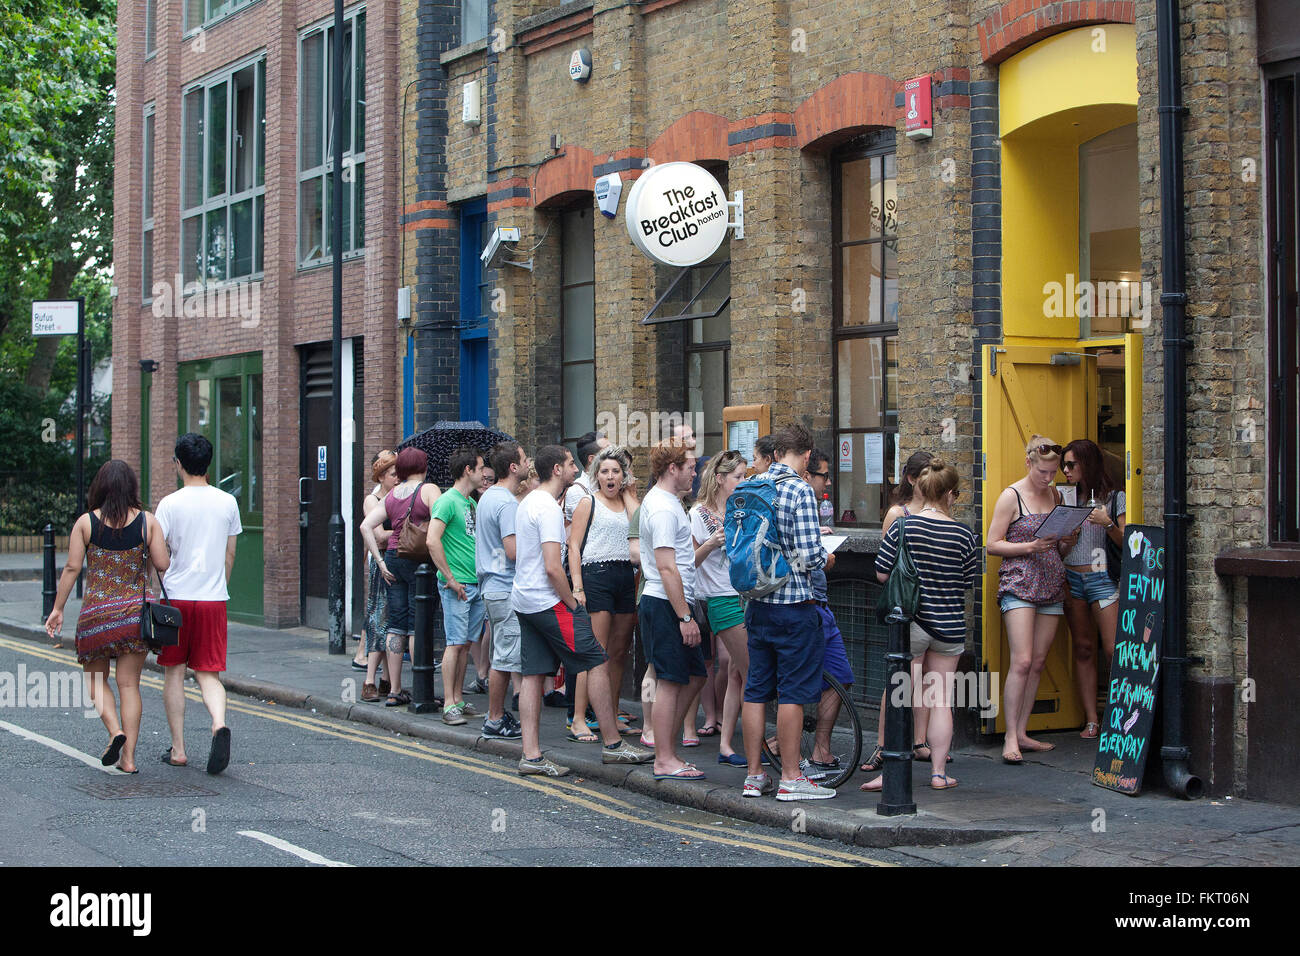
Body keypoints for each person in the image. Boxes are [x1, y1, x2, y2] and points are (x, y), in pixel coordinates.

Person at [510, 445, 653, 775]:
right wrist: (573, 602)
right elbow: (551, 567)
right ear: (557, 470)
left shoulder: (530, 501)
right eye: (571, 463)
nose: (577, 467)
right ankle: (614, 745)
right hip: (547, 601)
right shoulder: (545, 507)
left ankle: (530, 756)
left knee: (532, 675)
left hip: (525, 599)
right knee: (597, 660)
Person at [44, 460, 170, 774]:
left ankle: (115, 731)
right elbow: (162, 564)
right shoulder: (147, 522)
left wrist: (57, 609)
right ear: (131, 488)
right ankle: (128, 759)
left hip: (96, 618)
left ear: (100, 486)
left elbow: (72, 568)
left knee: (95, 681)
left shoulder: (85, 523)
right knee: (129, 686)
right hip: (133, 618)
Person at [864, 458, 978, 791]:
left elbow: (882, 573)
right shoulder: (964, 534)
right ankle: (939, 774)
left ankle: (891, 773)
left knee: (903, 695)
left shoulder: (904, 526)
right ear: (951, 495)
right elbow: (967, 580)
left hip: (911, 623)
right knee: (941, 698)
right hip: (950, 624)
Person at [740, 424, 835, 801]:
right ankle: (792, 778)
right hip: (794, 606)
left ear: (776, 451)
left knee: (756, 691)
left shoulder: (750, 485)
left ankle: (753, 776)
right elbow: (811, 557)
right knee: (793, 693)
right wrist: (828, 557)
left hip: (756, 604)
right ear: (807, 455)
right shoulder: (799, 489)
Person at [155, 434, 243, 774]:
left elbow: (159, 557)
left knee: (174, 672)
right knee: (209, 673)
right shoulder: (227, 503)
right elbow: (230, 553)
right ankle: (219, 724)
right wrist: (220, 585)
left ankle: (178, 748)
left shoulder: (169, 504)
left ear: (178, 463)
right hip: (212, 599)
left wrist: (155, 588)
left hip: (175, 599)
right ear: (208, 463)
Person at [986, 435, 1075, 764]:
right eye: (1043, 472)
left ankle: (1023, 731)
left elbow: (1059, 549)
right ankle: (1009, 735)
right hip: (1020, 582)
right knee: (1021, 661)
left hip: (1051, 580)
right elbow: (992, 544)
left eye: (1053, 472)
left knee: (1038, 661)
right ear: (1029, 463)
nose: (1049, 478)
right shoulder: (1011, 496)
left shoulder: (1054, 494)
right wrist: (1028, 548)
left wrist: (1067, 540)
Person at [639, 438, 710, 781]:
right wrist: (685, 616)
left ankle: (666, 747)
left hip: (672, 602)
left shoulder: (666, 502)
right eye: (691, 467)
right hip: (666, 603)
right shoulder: (665, 508)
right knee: (669, 681)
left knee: (695, 675)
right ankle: (664, 758)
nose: (695, 473)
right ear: (672, 469)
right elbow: (667, 567)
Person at [861, 449, 934, 772]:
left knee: (929, 677)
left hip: (934, 603)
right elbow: (885, 563)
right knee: (901, 675)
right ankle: (883, 744)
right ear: (911, 478)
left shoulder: (938, 510)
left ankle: (919, 741)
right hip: (906, 604)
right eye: (924, 476)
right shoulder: (898, 513)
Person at [568, 445, 641, 742]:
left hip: (626, 575)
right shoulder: (589, 502)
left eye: (616, 471)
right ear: (597, 474)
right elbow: (573, 546)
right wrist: (577, 586)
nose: (610, 476)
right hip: (596, 575)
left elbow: (640, 526)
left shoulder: (627, 502)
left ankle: (609, 716)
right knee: (596, 653)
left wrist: (629, 493)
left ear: (623, 475)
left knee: (620, 650)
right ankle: (578, 718)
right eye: (605, 471)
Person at [359, 447, 441, 707]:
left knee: (396, 624)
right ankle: (420, 688)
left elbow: (365, 526)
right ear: (423, 466)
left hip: (392, 559)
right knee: (417, 623)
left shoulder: (393, 493)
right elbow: (442, 520)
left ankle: (395, 689)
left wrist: (380, 561)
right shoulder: (428, 490)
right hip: (418, 560)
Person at [1060, 438, 1126, 738]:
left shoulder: (1114, 498)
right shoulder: (1064, 499)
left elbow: (1127, 542)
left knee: (1113, 650)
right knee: (1084, 648)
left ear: (1088, 464)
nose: (1066, 470)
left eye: (1072, 464)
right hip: (1072, 577)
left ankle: (1117, 713)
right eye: (1065, 464)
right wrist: (1066, 541)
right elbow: (1057, 546)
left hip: (1103, 579)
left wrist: (1108, 523)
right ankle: (1091, 719)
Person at [689, 450, 751, 766]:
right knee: (751, 671)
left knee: (737, 672)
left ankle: (727, 744)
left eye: (745, 476)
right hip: (721, 598)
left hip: (748, 595)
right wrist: (711, 543)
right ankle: (757, 748)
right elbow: (689, 562)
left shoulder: (743, 508)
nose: (743, 482)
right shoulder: (699, 513)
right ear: (720, 478)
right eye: (738, 477)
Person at [802, 448, 856, 780]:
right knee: (795, 685)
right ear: (807, 475)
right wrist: (820, 556)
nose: (828, 481)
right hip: (804, 606)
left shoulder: (810, 508)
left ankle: (820, 750)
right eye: (823, 474)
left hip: (821, 604)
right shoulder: (796, 500)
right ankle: (791, 756)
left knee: (840, 676)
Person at [427, 447, 486, 725]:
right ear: (468, 470)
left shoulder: (471, 503)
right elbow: (432, 540)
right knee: (454, 644)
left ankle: (458, 699)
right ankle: (448, 704)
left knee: (464, 645)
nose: (485, 472)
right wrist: (449, 579)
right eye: (481, 467)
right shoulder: (447, 501)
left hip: (474, 584)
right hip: (457, 585)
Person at [476, 441, 527, 739]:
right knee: (505, 658)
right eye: (523, 458)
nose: (527, 462)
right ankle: (495, 718)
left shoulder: (489, 497)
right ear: (512, 467)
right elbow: (512, 550)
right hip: (504, 587)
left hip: (492, 588)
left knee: (501, 654)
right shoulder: (506, 503)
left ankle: (497, 714)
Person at [357, 451, 399, 699]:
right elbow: (379, 536)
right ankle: (369, 682)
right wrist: (405, 528)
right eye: (393, 475)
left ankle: (387, 681)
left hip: (393, 562)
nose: (397, 479)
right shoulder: (373, 501)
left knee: (391, 622)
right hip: (380, 564)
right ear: (382, 476)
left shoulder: (395, 497)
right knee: (378, 621)